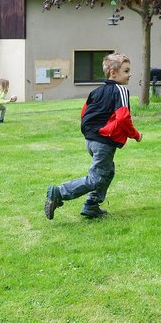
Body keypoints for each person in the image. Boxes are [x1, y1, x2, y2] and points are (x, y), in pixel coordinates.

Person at [44, 53, 142, 219]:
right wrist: (135, 135)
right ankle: (59, 192)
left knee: (108, 171)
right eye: (126, 71)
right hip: (104, 142)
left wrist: (92, 133)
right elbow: (123, 117)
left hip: (91, 140)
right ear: (113, 73)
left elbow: (84, 112)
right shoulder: (121, 90)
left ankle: (91, 205)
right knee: (96, 178)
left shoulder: (96, 91)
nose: (129, 74)